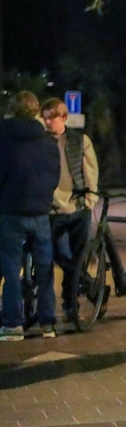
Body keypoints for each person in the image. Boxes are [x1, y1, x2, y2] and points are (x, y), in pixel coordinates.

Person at [0, 91, 61, 340]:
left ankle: (13, 324)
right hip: (40, 213)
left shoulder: (5, 138)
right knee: (45, 269)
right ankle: (48, 324)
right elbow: (54, 175)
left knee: (11, 269)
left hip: (11, 213)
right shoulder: (48, 141)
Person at [41, 98, 99, 322]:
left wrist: (90, 197)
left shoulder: (79, 140)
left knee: (77, 255)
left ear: (63, 118)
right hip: (54, 209)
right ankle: (80, 286)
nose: (47, 122)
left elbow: (90, 170)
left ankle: (70, 301)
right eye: (44, 117)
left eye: (51, 117)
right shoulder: (42, 142)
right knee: (63, 256)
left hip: (77, 207)